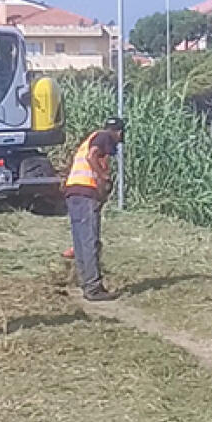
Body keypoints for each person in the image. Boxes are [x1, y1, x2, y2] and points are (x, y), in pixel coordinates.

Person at [63, 117, 124, 301]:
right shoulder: (105, 137)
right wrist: (103, 177)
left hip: (73, 191)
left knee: (81, 241)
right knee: (90, 240)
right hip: (85, 192)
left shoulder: (91, 137)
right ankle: (93, 288)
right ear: (119, 133)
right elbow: (92, 156)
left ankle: (86, 283)